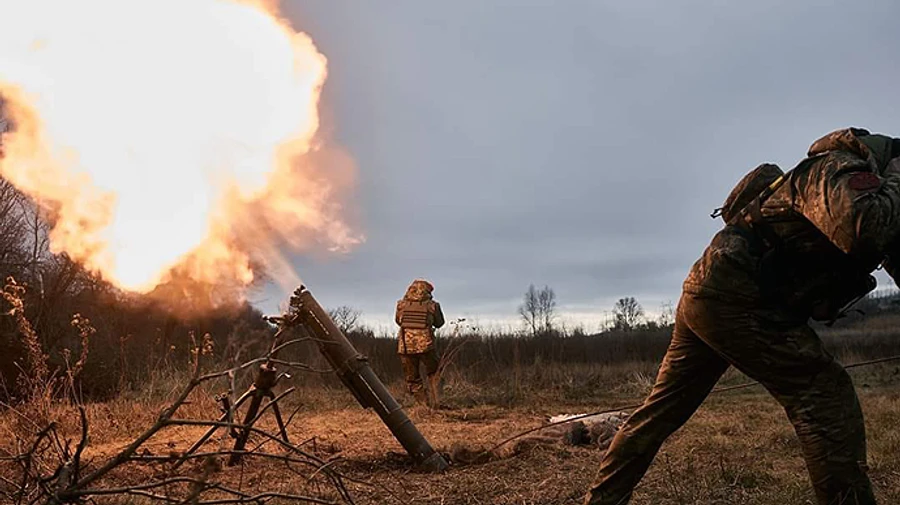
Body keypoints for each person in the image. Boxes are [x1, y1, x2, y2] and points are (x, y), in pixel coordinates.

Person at [585, 127, 900, 505]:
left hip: (709, 293)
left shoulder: (873, 194)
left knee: (660, 412)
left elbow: (886, 241)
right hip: (738, 297)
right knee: (824, 394)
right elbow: (864, 229)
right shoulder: (834, 167)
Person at [395, 279, 445, 407]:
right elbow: (439, 323)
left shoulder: (401, 305)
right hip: (426, 346)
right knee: (435, 373)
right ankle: (437, 403)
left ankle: (423, 406)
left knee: (412, 379)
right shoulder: (432, 305)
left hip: (405, 347)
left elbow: (398, 321)